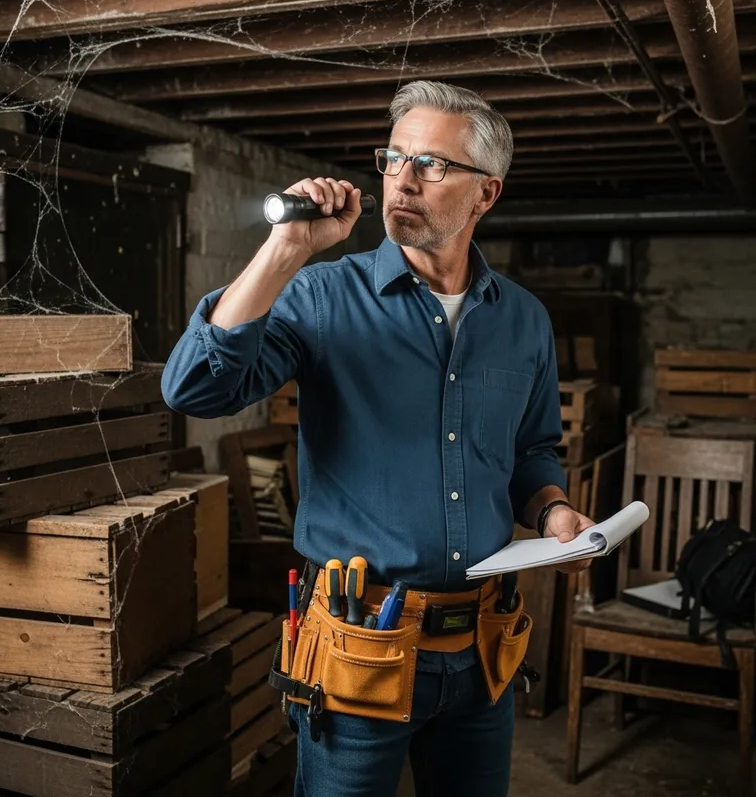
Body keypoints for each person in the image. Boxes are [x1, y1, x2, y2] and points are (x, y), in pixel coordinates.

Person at [162, 80, 594, 797]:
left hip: (482, 652)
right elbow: (195, 389)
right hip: (359, 646)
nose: (402, 180)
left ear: (485, 194)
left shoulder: (522, 321)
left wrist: (551, 511)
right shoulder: (322, 296)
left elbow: (530, 451)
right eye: (393, 159)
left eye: (431, 165)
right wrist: (287, 247)